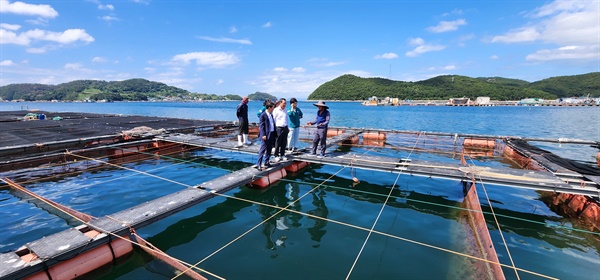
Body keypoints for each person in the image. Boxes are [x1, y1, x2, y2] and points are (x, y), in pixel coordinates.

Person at [256, 101, 277, 171]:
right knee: (262, 150)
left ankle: (266, 161)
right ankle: (259, 164)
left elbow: (272, 124)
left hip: (271, 133)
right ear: (269, 108)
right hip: (265, 135)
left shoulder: (271, 115)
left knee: (269, 149)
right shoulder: (263, 115)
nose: (274, 108)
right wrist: (263, 135)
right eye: (273, 107)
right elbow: (261, 126)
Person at [272, 98, 289, 162]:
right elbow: (273, 119)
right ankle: (276, 155)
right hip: (278, 127)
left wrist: (288, 127)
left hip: (285, 127)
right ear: (280, 103)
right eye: (284, 103)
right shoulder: (276, 110)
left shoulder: (286, 110)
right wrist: (274, 128)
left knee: (284, 142)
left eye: (285, 103)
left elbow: (287, 119)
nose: (285, 104)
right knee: (277, 142)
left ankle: (282, 154)